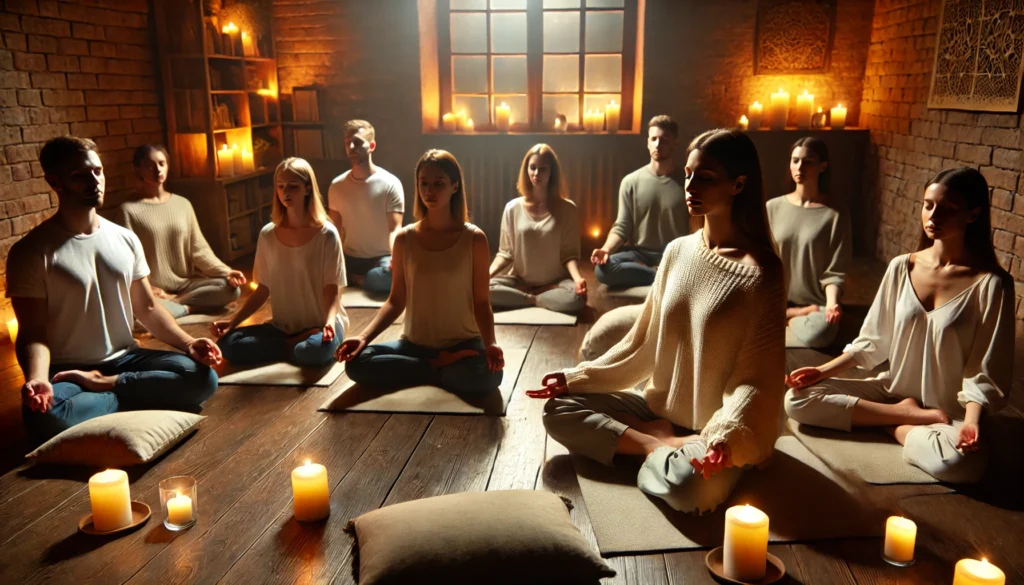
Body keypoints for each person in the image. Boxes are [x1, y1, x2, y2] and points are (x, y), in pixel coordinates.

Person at [532, 129, 786, 513]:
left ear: (739, 184)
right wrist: (578, 377)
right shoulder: (677, 251)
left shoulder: (762, 274)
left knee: (688, 491)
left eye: (706, 177)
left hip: (713, 431)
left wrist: (725, 437)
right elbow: (643, 341)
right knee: (558, 409)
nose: (690, 185)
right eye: (687, 173)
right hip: (655, 411)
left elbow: (758, 380)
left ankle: (645, 449)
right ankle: (655, 445)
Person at [785, 167, 1013, 484]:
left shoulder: (991, 284)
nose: (933, 215)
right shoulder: (901, 266)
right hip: (891, 391)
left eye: (947, 209)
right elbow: (873, 341)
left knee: (962, 464)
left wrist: (972, 423)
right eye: (928, 204)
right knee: (797, 399)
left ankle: (889, 425)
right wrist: (821, 372)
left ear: (973, 215)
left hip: (948, 410)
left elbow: (983, 370)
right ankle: (903, 418)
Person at [8, 136, 221, 444]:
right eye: (81, 175)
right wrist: (37, 379)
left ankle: (107, 387)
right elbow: (33, 332)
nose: (94, 181)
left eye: (98, 171)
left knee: (203, 378)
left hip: (126, 359)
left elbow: (147, 309)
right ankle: (131, 395)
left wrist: (190, 344)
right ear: (55, 182)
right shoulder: (31, 252)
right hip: (67, 369)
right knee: (46, 415)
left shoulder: (124, 239)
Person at [336, 149, 504, 396]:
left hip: (463, 345)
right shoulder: (405, 239)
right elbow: (395, 300)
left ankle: (422, 371)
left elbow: (481, 301)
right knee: (358, 363)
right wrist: (363, 338)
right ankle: (436, 369)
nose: (429, 191)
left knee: (491, 374)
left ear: (455, 186)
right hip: (414, 346)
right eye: (424, 183)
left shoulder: (474, 239)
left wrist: (490, 343)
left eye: (439, 184)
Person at [212, 158, 347, 367]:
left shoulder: (326, 234)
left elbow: (332, 287)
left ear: (307, 188)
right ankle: (291, 344)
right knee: (227, 344)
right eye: (281, 186)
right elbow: (263, 288)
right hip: (283, 328)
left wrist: (329, 322)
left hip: (321, 325)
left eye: (293, 187)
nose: (285, 193)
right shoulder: (268, 235)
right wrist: (233, 322)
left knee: (314, 352)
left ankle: (286, 347)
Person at [113, 144, 245, 320]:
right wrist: (148, 288)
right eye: (150, 166)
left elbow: (199, 250)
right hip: (154, 290)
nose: (157, 170)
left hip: (186, 285)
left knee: (231, 289)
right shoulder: (128, 210)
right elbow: (126, 260)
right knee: (139, 307)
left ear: (168, 166)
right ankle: (189, 308)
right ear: (139, 170)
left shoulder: (183, 204)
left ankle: (177, 306)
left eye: (162, 163)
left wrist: (227, 272)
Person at [767, 137, 851, 348]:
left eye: (808, 161)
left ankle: (772, 328)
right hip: (774, 302)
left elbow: (835, 271)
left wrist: (833, 304)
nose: (800, 167)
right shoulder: (772, 207)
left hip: (817, 305)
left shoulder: (835, 214)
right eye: (795, 160)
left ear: (822, 166)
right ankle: (793, 315)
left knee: (820, 333)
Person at [591, 115, 688, 288]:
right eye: (654, 139)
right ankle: (659, 276)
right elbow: (622, 226)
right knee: (603, 270)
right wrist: (605, 250)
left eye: (664, 140)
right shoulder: (631, 181)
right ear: (648, 142)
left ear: (674, 144)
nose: (658, 145)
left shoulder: (687, 183)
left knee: (692, 272)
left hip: (676, 255)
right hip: (640, 254)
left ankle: (663, 274)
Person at [488, 144, 586, 314]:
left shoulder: (568, 209)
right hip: (520, 282)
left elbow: (570, 255)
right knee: (480, 289)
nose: (536, 174)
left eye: (543, 169)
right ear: (526, 170)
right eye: (532, 168)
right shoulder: (512, 208)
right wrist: (486, 275)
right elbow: (505, 253)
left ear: (551, 172)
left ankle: (522, 299)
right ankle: (535, 299)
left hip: (556, 283)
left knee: (578, 298)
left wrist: (578, 280)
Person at [327, 119, 405, 297]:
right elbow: (335, 230)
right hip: (350, 257)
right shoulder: (337, 186)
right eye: (348, 143)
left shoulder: (390, 183)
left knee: (396, 277)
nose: (352, 147)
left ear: (371, 145)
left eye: (358, 142)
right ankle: (359, 278)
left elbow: (395, 229)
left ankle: (357, 279)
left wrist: (396, 258)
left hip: (382, 258)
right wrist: (329, 260)